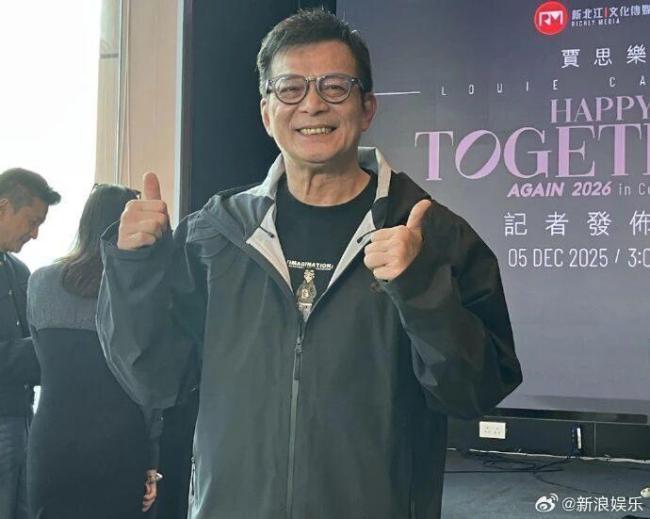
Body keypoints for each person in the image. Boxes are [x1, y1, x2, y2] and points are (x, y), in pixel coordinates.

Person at [97, 9, 522, 519]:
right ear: (266, 112)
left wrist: (421, 287)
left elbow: (475, 391)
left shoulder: (432, 234)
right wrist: (134, 268)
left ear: (367, 107)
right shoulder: (216, 233)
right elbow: (156, 380)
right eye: (291, 88)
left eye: (335, 86)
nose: (313, 104)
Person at [26, 184, 161, 518]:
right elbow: (147, 386)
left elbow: (44, 362)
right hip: (120, 444)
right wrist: (152, 458)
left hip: (51, 444)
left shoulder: (40, 282)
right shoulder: (138, 292)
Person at [0, 168, 60, 519]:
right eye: (32, 221)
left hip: (25, 417)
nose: (35, 234)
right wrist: (51, 347)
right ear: (3, 207)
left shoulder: (20, 271)